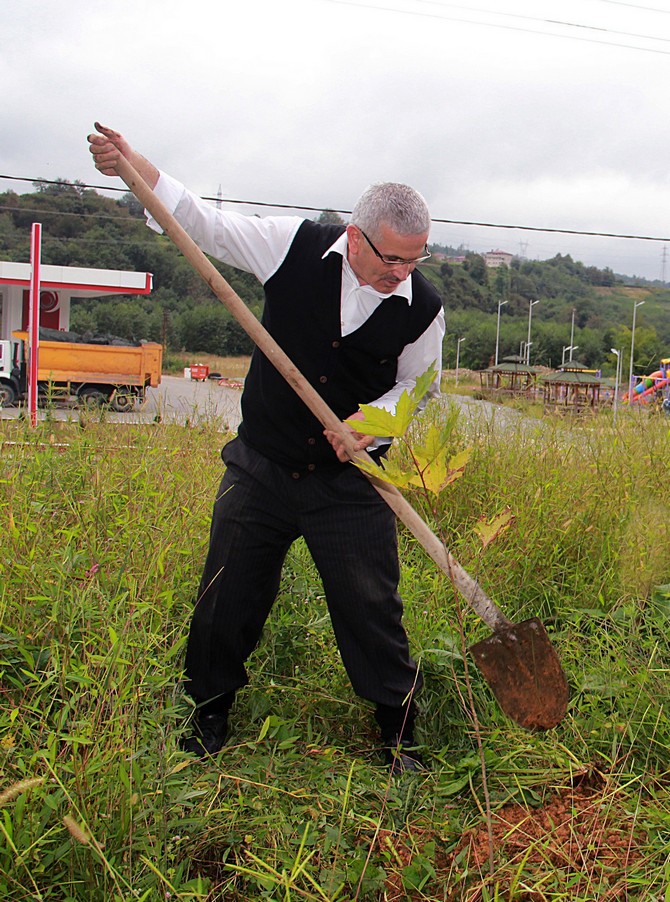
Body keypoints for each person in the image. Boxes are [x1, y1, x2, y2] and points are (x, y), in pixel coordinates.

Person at [88, 123, 446, 772]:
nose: (401, 273)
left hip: (352, 485)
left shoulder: (423, 304)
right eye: (391, 258)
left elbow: (421, 386)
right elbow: (200, 221)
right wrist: (132, 166)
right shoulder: (293, 247)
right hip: (262, 465)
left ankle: (400, 734)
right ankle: (205, 716)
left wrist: (374, 421)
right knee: (228, 595)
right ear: (355, 236)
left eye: (413, 260)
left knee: (372, 609)